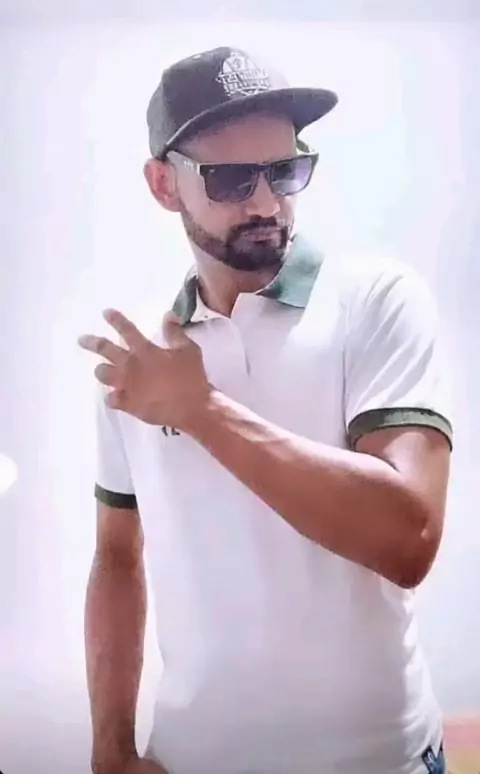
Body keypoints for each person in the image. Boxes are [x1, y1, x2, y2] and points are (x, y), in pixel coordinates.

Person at [79, 46, 453, 774]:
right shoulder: (137, 358)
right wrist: (110, 749)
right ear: (163, 184)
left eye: (285, 171)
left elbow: (409, 537)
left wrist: (202, 412)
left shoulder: (377, 301)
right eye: (230, 179)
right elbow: (117, 556)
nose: (265, 203)